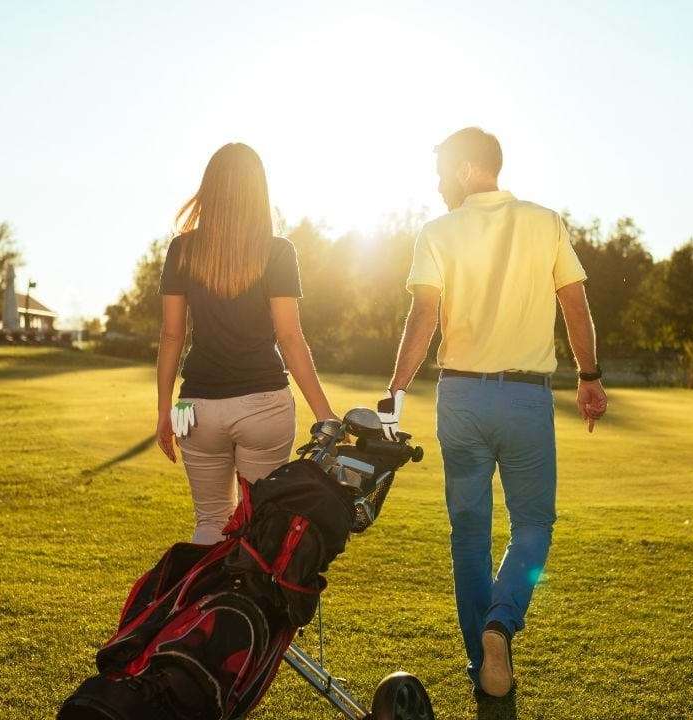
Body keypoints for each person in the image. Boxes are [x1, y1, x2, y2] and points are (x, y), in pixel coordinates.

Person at [377, 127, 608, 698]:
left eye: (440, 173)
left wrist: (396, 388)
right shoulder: (545, 221)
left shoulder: (437, 231)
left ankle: (483, 667)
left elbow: (423, 317)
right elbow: (575, 304)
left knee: (468, 537)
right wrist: (589, 376)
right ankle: (501, 624)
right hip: (527, 398)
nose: (435, 186)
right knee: (533, 526)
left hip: (461, 400)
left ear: (464, 170)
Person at [156, 142, 336, 545]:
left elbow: (171, 335)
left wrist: (164, 410)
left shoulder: (181, 248)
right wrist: (325, 414)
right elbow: (290, 338)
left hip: (190, 408)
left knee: (209, 522)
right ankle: (248, 608)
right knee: (258, 529)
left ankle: (208, 608)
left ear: (210, 188)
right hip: (264, 405)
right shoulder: (277, 251)